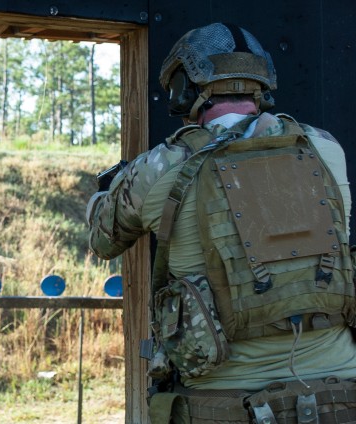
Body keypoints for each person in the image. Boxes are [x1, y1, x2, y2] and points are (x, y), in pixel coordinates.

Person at [86, 23, 356, 422]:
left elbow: (103, 240)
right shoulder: (324, 148)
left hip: (225, 403)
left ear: (185, 88)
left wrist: (106, 192)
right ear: (262, 83)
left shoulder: (161, 167)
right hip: (341, 397)